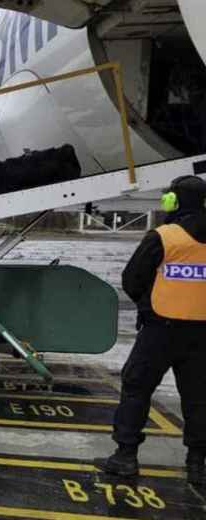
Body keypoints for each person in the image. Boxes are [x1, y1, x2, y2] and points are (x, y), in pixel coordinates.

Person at [100, 175, 206, 486]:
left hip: (160, 329)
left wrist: (149, 306)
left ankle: (125, 456)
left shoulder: (164, 236)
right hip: (202, 334)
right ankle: (197, 465)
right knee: (199, 398)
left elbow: (132, 279)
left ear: (174, 201)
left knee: (136, 388)